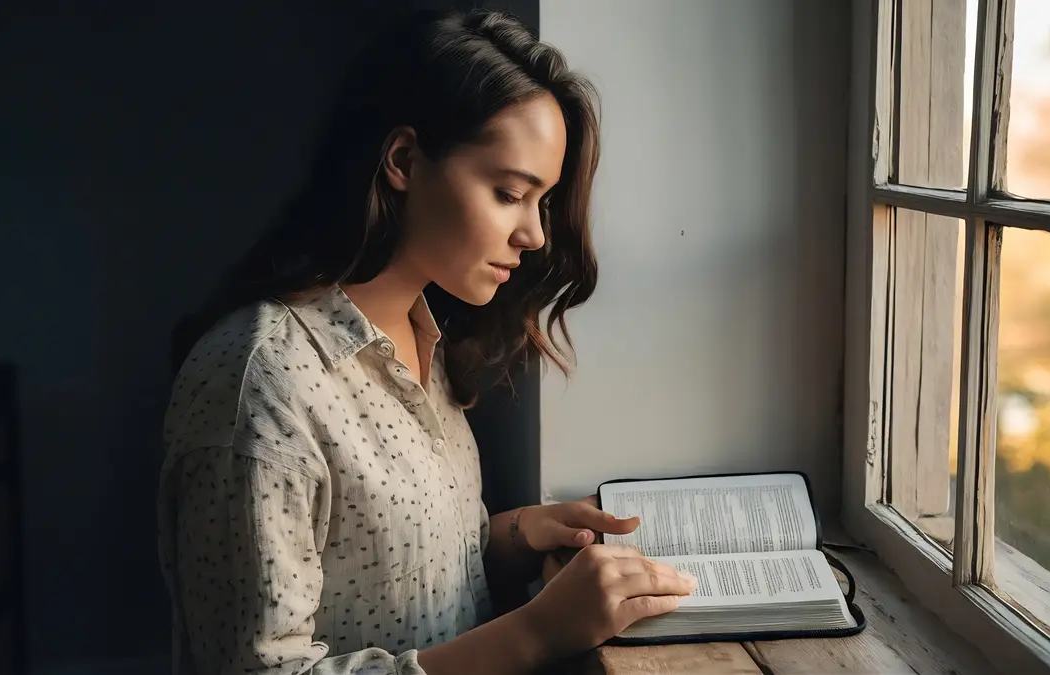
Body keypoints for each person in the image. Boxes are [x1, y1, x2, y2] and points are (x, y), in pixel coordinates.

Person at [157, 8, 695, 675]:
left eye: (543, 202)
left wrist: (521, 533)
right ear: (404, 160)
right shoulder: (261, 381)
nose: (534, 235)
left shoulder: (418, 336)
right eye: (508, 193)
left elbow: (404, 572)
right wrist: (536, 632)